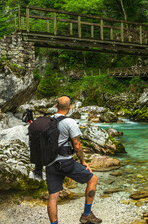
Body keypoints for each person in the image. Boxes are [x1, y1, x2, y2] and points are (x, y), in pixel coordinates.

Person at [46, 95, 102, 224]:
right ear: (70, 108)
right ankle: (87, 214)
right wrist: (83, 161)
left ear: (56, 106)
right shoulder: (70, 122)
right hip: (66, 162)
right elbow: (77, 146)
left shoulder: (47, 121)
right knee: (93, 179)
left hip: (50, 163)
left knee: (53, 197)